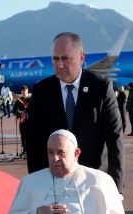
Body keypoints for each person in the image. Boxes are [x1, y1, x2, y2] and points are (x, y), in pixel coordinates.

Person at [26, 32, 124, 192]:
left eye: (65, 58)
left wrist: (116, 190)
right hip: (54, 184)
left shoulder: (101, 88)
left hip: (94, 182)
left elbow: (115, 140)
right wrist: (37, 184)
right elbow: (33, 143)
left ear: (81, 57)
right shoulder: (41, 91)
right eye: (55, 59)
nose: (60, 64)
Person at [13, 85, 30, 156]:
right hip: (22, 121)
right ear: (21, 92)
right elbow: (14, 110)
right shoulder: (18, 100)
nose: (24, 92)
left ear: (27, 91)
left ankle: (30, 150)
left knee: (30, 136)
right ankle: (24, 150)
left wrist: (27, 109)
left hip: (30, 121)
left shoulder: (31, 99)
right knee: (23, 136)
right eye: (23, 91)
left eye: (25, 91)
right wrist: (20, 113)